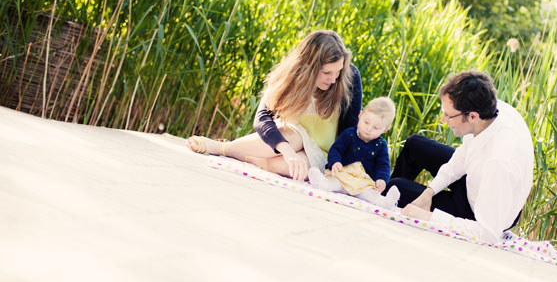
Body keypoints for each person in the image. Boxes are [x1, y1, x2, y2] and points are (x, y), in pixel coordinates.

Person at [186, 30, 362, 182]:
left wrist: (339, 165)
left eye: (338, 72)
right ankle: (223, 148)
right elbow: (262, 118)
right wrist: (286, 150)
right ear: (310, 66)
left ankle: (258, 160)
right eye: (327, 73)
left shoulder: (350, 77)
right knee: (294, 136)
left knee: (292, 168)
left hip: (321, 152)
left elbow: (350, 131)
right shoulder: (291, 75)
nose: (333, 79)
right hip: (290, 137)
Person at [387, 70, 534, 244]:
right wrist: (429, 192)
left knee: (397, 187)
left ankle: (396, 205)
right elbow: (463, 157)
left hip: (483, 210)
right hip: (475, 179)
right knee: (414, 145)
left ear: (472, 116)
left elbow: (488, 233)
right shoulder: (489, 110)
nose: (442, 120)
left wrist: (429, 216)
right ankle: (393, 202)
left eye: (448, 115)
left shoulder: (499, 161)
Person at [307, 97, 400, 209]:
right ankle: (322, 184)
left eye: (376, 127)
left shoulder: (380, 145)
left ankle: (385, 203)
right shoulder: (349, 134)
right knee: (335, 183)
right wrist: (335, 162)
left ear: (385, 129)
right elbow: (336, 149)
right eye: (366, 122)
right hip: (343, 174)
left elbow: (383, 165)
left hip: (362, 182)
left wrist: (382, 179)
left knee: (371, 194)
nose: (368, 129)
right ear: (360, 115)